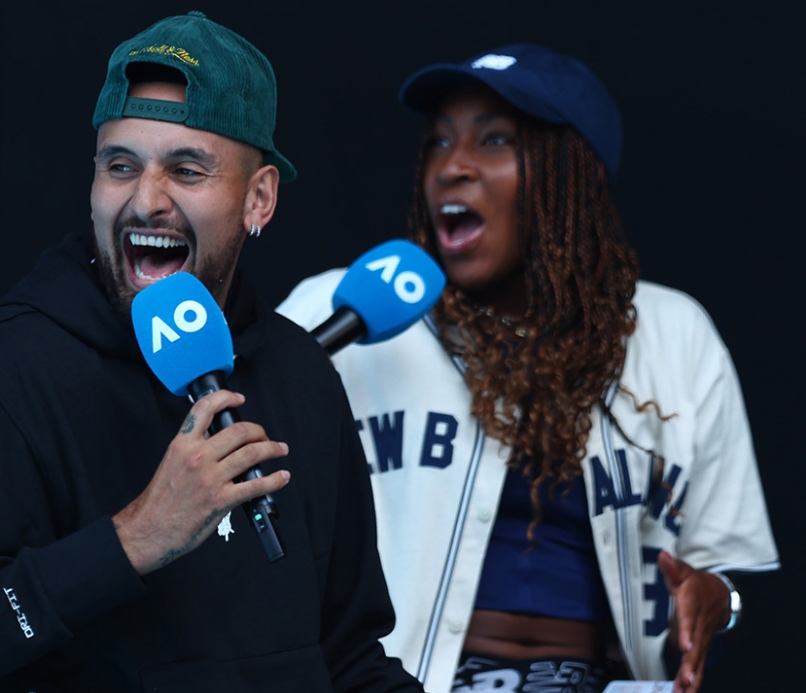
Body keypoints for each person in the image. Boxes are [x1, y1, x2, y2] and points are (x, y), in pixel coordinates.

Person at [0, 11, 422, 693]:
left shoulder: (303, 375)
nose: (146, 201)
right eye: (121, 166)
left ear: (259, 199)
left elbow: (348, 657)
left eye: (187, 169)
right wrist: (130, 541)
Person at [278, 44, 779, 693]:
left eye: (494, 141)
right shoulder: (340, 310)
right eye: (437, 144)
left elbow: (720, 564)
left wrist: (719, 598)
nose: (450, 167)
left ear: (573, 176)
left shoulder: (675, 334)